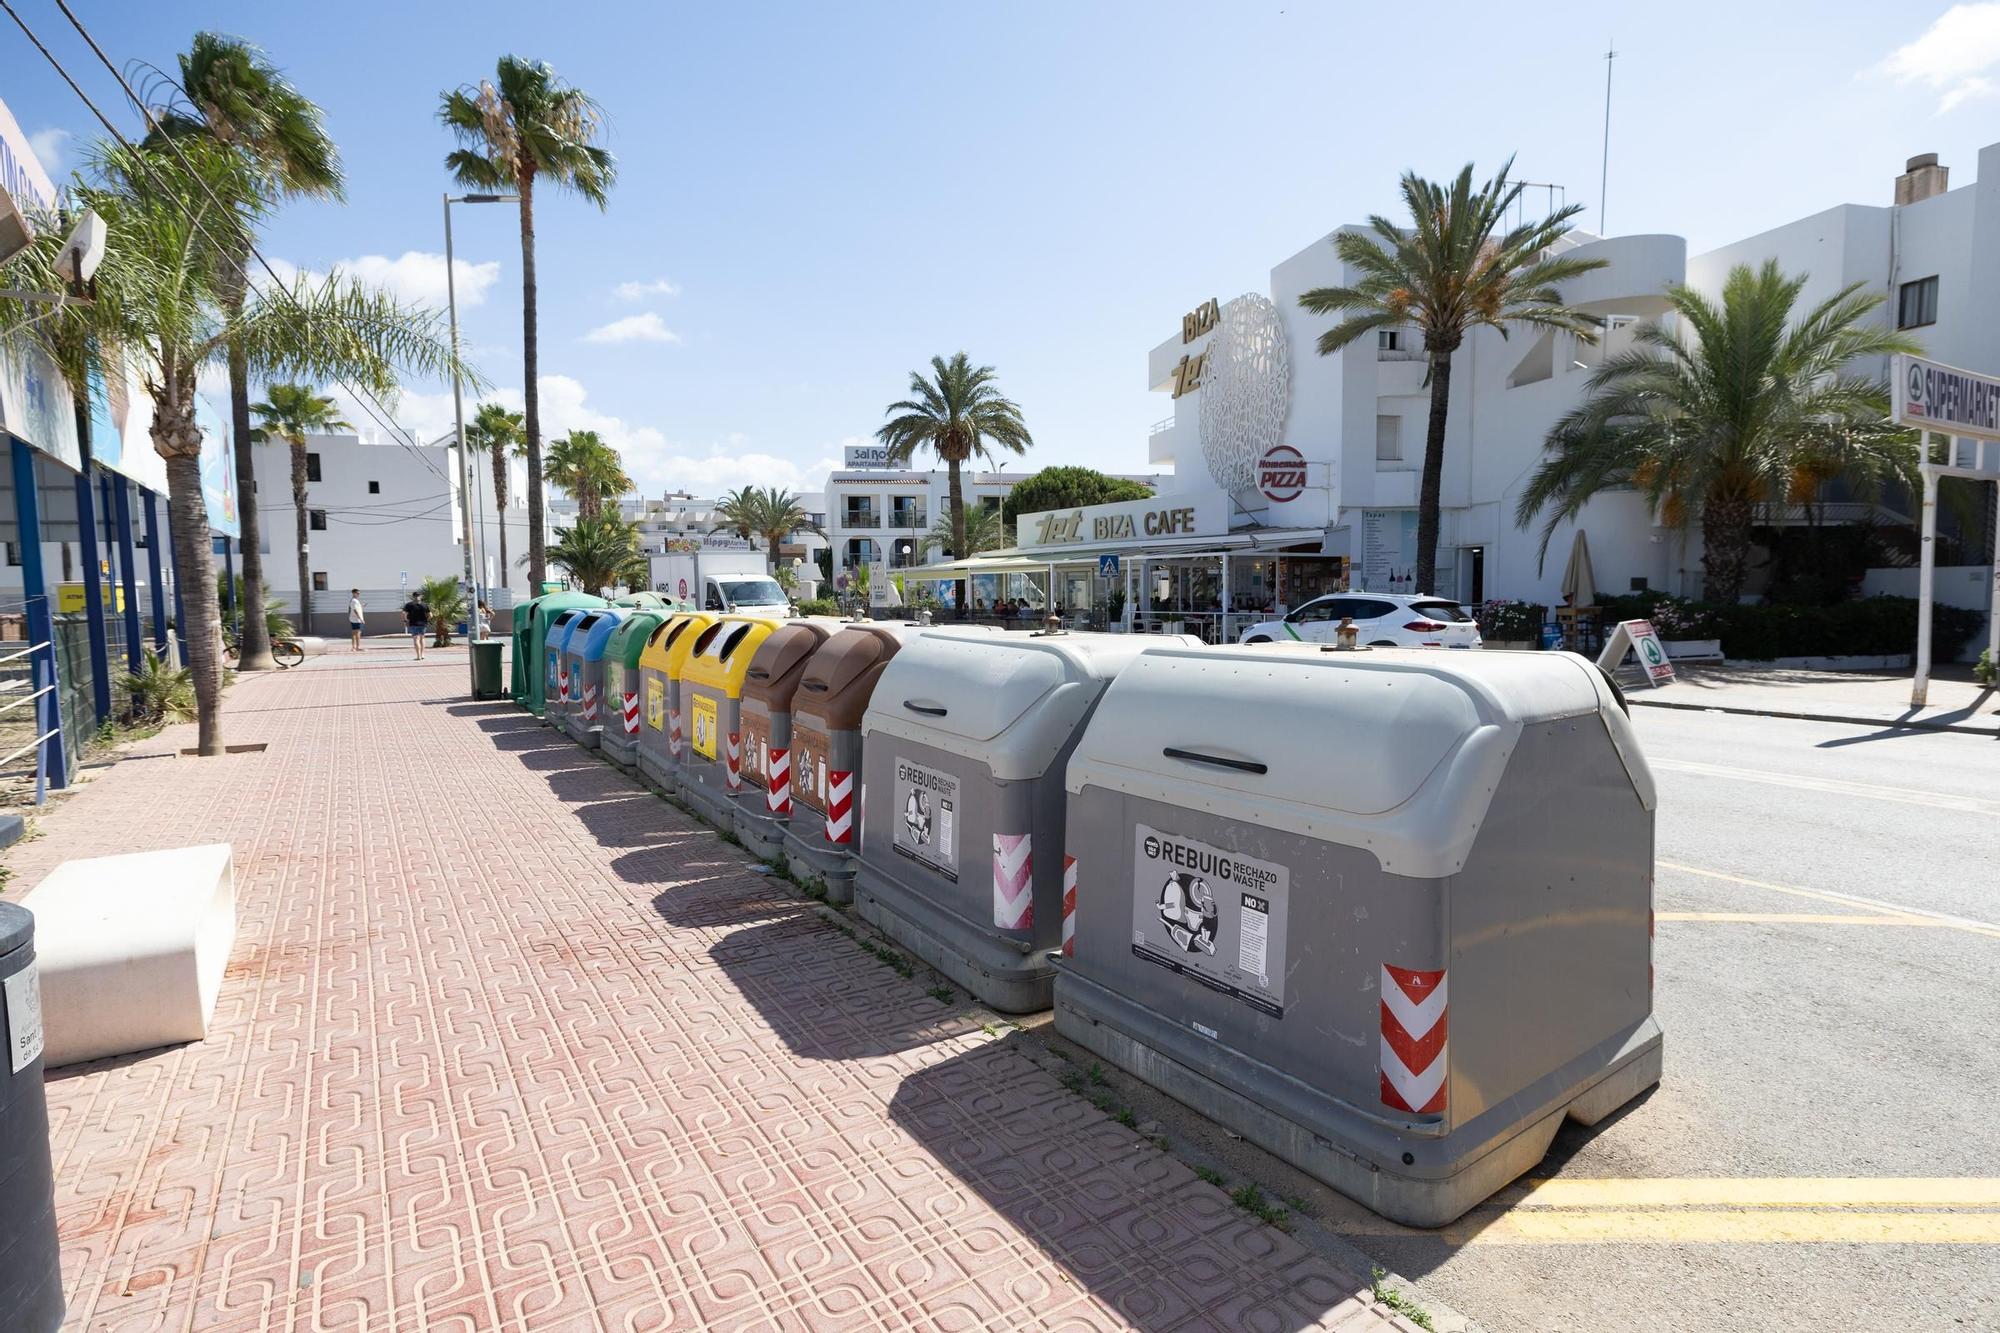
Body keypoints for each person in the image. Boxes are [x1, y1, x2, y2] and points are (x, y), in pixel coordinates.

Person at [402, 590, 430, 660]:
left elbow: (404, 613)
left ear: (413, 597)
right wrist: (427, 620)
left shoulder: (409, 605)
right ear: (420, 596)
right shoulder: (424, 605)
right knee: (422, 638)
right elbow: (430, 615)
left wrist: (406, 620)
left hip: (413, 624)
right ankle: (422, 654)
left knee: (416, 639)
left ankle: (418, 656)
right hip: (423, 624)